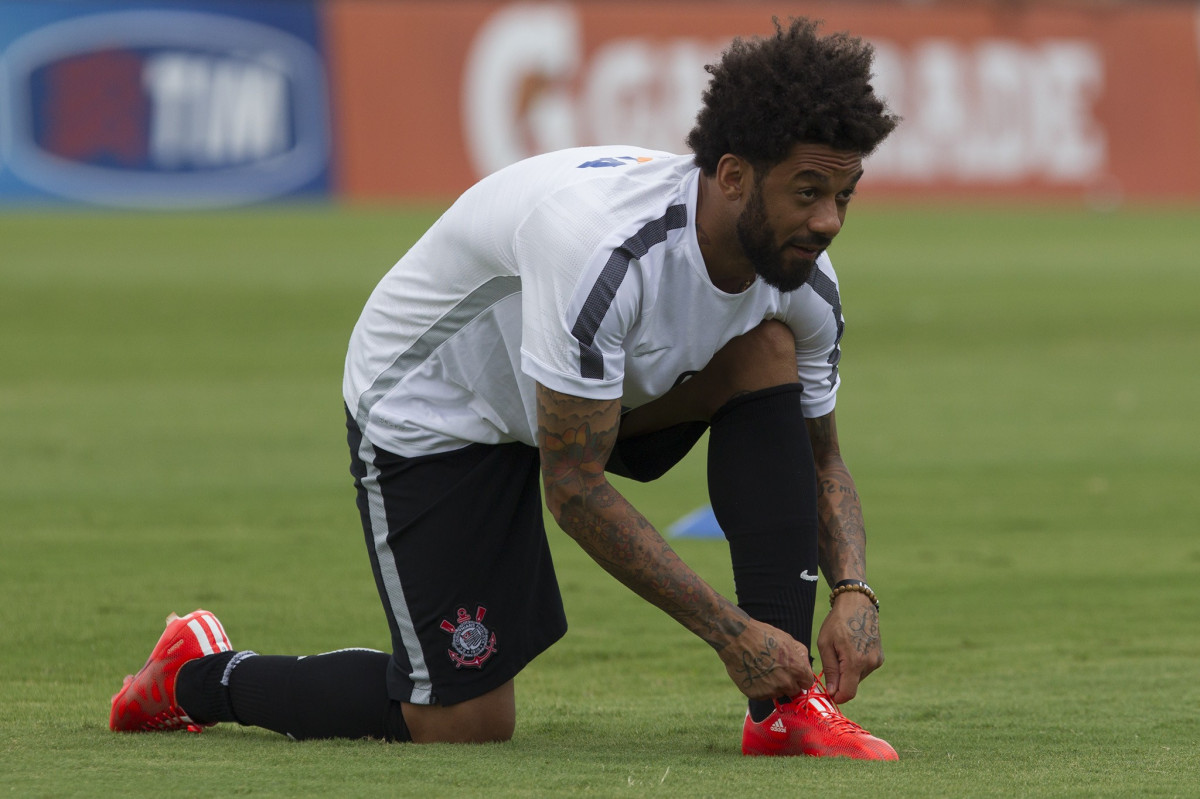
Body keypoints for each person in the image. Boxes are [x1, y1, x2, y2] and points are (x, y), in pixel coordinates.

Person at [111, 17, 900, 759]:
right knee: (460, 721)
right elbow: (574, 488)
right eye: (807, 192)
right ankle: (196, 674)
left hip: (599, 391)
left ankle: (786, 710)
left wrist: (855, 590)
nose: (829, 221)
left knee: (768, 351)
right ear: (732, 175)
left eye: (845, 195)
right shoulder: (604, 253)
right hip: (436, 403)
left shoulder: (803, 282)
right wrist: (732, 633)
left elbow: (819, 454)